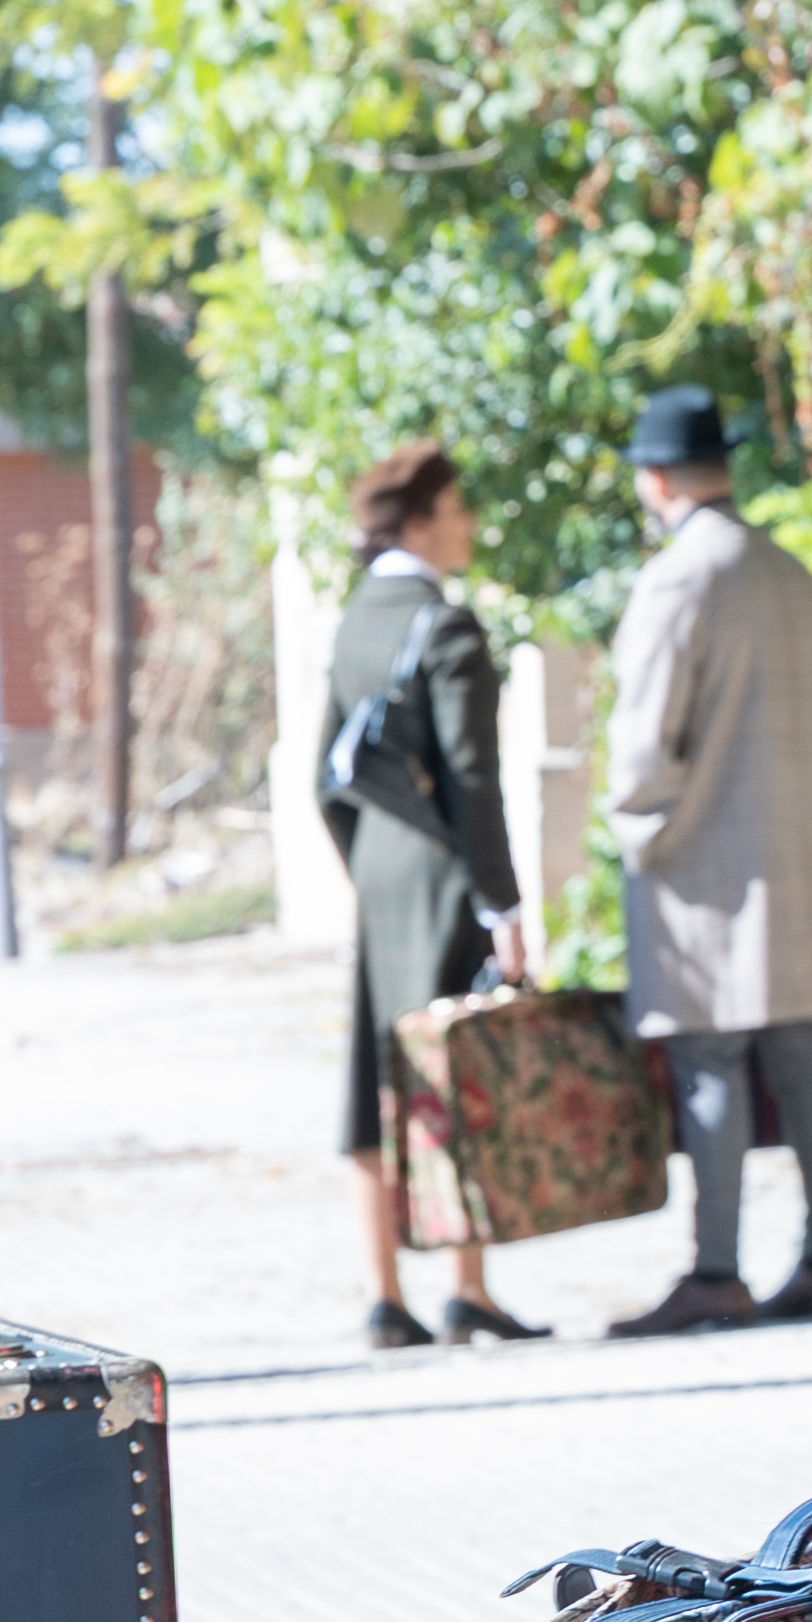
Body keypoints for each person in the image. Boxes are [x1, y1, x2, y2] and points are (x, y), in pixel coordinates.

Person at [596, 387, 812, 1338]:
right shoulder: (789, 572)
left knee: (711, 1058)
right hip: (796, 847)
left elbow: (642, 739)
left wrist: (637, 830)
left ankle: (716, 1269)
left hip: (707, 853)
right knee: (802, 1056)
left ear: (656, 479)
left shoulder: (680, 578)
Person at [321, 441, 537, 1351]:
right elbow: (473, 782)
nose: (470, 526)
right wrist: (504, 906)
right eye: (457, 509)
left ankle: (383, 1295)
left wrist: (367, 862)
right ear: (419, 521)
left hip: (379, 867)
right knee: (459, 1070)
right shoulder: (447, 626)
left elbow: (321, 778)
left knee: (376, 1076)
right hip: (447, 875)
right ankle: (469, 1287)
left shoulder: (354, 621)